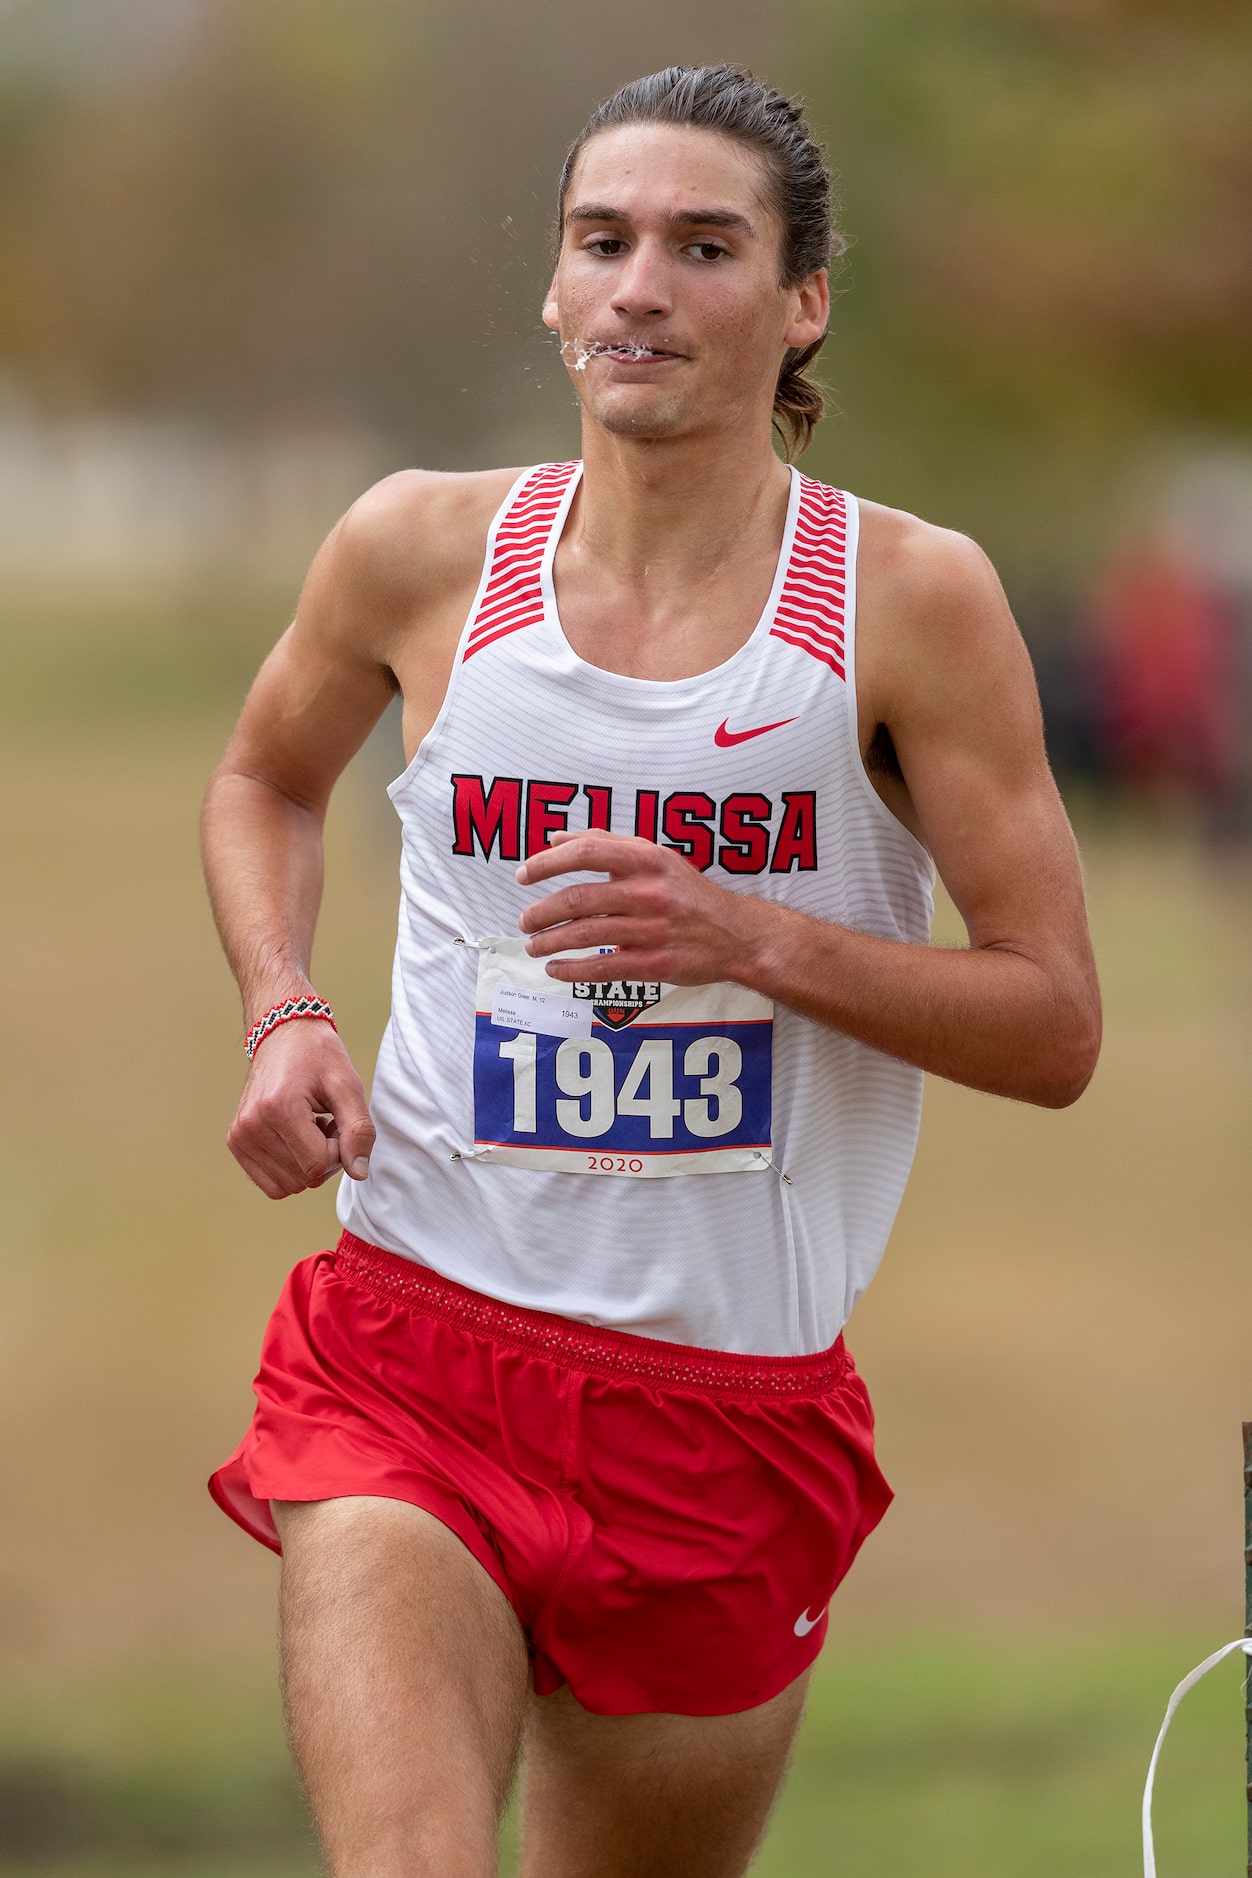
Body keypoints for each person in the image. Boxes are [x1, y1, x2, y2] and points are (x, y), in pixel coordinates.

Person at [201, 64, 1100, 1878]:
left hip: (726, 1418)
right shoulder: (421, 552)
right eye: (602, 242)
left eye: (705, 247)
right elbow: (263, 778)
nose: (641, 288)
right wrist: (285, 999)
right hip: (420, 1349)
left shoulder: (909, 603)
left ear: (801, 301)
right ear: (552, 286)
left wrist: (746, 932)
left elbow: (1055, 1020)